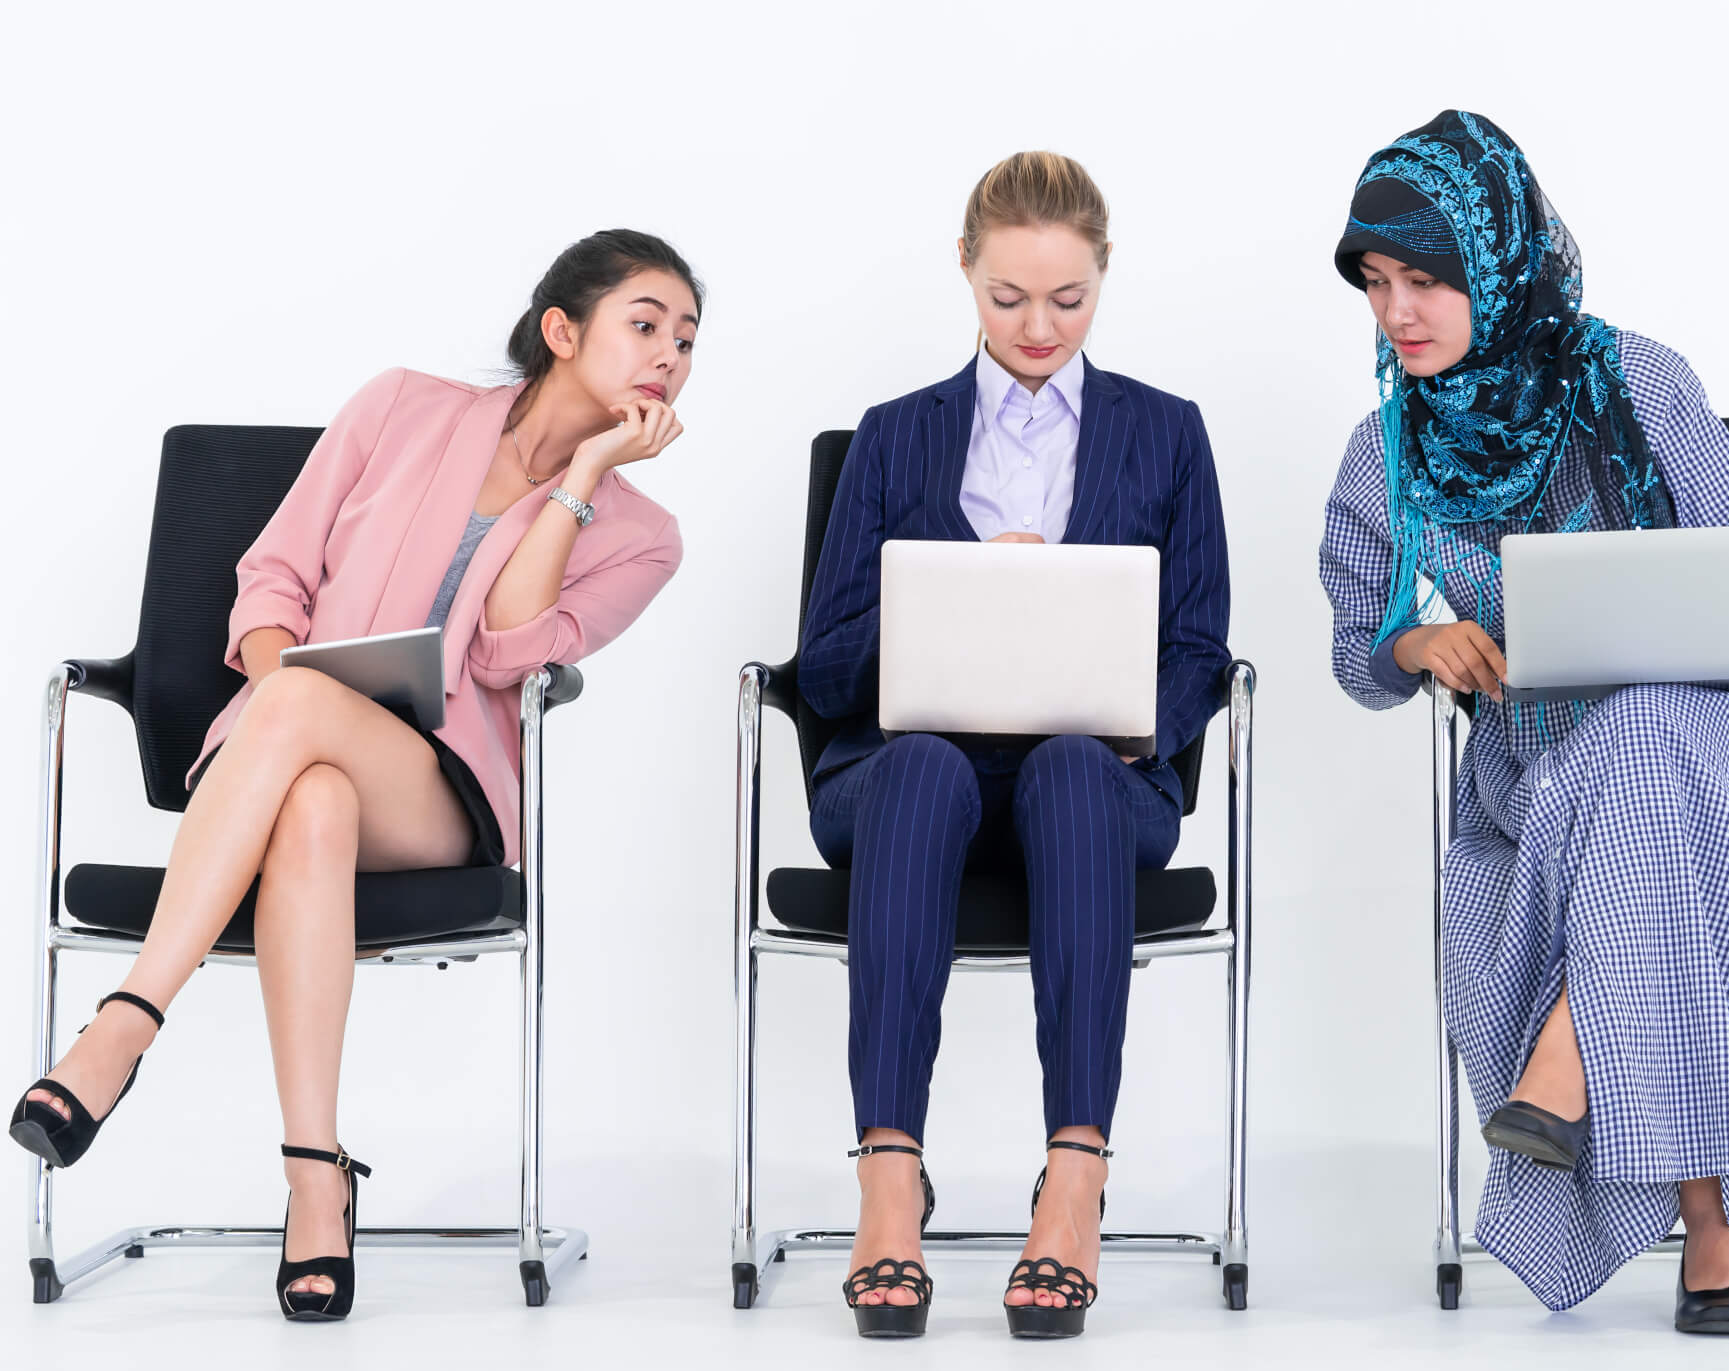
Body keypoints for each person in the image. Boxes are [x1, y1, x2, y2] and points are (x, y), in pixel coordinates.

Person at [1319, 111, 1729, 1334]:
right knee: (1633, 761)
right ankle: (1715, 1233)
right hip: (1543, 770)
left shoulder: (1638, 379)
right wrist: (1413, 639)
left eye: (1427, 279)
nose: (1398, 312)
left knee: (1650, 728)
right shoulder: (1383, 453)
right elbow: (1356, 655)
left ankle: (1570, 1065)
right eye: (1378, 284)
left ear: (1498, 263)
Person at [8, 228, 695, 1321]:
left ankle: (125, 1024)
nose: (669, 355)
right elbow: (271, 575)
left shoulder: (641, 533)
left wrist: (582, 477)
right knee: (313, 794)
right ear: (562, 331)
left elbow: (511, 654)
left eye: (686, 341)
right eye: (645, 325)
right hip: (290, 758)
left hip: (443, 796)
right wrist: (299, 697)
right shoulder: (400, 408)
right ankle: (314, 1180)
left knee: (307, 732)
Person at [801, 150, 1231, 1339]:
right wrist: (950, 598)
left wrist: (1140, 722)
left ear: (1102, 279)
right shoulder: (893, 440)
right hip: (902, 780)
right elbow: (824, 665)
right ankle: (888, 1180)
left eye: (1066, 299)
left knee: (1070, 770)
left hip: (1097, 780)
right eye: (1007, 298)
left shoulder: (1166, 433)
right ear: (963, 272)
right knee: (929, 766)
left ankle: (1075, 1179)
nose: (1036, 326)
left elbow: (1198, 646)